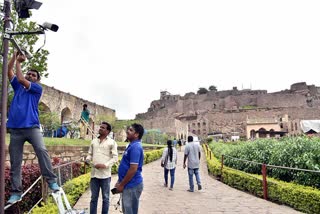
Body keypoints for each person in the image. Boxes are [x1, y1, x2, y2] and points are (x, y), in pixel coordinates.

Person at [6, 52, 59, 204]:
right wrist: (14, 59)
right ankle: (16, 192)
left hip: (32, 128)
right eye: (29, 73)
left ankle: (51, 180)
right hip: (15, 130)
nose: (30, 76)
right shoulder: (18, 87)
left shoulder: (36, 88)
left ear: (37, 79)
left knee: (42, 151)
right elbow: (8, 71)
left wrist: (19, 62)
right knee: (15, 162)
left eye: (33, 75)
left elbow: (21, 78)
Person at [85, 122, 118, 214]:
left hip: (105, 176)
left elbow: (115, 158)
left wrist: (105, 165)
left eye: (103, 128)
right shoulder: (94, 141)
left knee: (106, 198)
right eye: (100, 127)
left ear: (108, 131)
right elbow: (90, 154)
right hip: (94, 175)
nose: (100, 129)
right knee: (93, 198)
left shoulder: (112, 142)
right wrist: (87, 160)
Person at [115, 123, 144, 214]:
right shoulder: (131, 145)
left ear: (136, 134)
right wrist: (120, 181)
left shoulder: (135, 147)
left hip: (132, 185)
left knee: (129, 211)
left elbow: (133, 169)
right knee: (127, 211)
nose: (127, 131)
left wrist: (122, 185)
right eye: (128, 129)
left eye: (131, 130)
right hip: (128, 184)